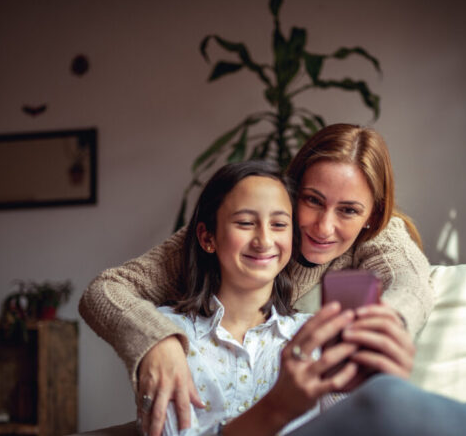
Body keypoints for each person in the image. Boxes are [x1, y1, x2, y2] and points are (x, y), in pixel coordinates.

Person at [80, 124, 430, 436]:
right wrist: (157, 341)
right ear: (291, 193)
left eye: (349, 210)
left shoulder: (378, 238)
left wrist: (378, 334)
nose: (324, 227)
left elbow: (411, 286)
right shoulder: (230, 229)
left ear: (372, 215)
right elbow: (106, 290)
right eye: (312, 200)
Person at [153, 160, 361, 435]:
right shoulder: (165, 335)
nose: (264, 240)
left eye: (278, 224)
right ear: (207, 237)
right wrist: (276, 408)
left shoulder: (314, 335)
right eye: (246, 222)